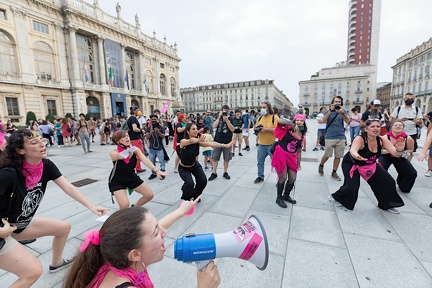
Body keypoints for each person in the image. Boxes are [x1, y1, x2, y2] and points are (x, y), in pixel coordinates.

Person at [0, 129, 107, 287]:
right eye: (34, 143)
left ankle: (56, 263)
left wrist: (91, 206)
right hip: (3, 233)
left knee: (63, 228)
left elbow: (68, 187)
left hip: (19, 225)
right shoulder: (9, 174)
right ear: (20, 150)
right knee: (32, 271)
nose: (42, 144)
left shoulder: (46, 166)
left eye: (41, 140)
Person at [65, 204, 220, 288]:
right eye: (156, 232)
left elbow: (147, 233)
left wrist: (180, 211)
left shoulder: (114, 256)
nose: (164, 231)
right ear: (135, 254)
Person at [328, 119, 405, 213]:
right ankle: (336, 197)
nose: (376, 128)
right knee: (352, 187)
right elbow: (353, 149)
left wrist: (400, 149)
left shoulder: (382, 140)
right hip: (352, 163)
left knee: (388, 182)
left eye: (378, 126)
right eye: (373, 126)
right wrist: (356, 155)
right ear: (366, 129)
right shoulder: (360, 139)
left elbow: (396, 154)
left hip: (369, 165)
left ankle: (386, 204)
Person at [109, 130, 167, 210]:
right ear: (117, 141)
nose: (127, 138)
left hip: (131, 177)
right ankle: (120, 219)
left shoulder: (135, 149)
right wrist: (129, 151)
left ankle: (134, 208)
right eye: (123, 137)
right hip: (118, 180)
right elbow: (120, 156)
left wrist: (157, 170)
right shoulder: (114, 152)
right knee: (124, 205)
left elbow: (145, 160)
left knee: (149, 195)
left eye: (127, 136)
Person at [179, 123, 233, 201]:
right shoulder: (183, 141)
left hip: (194, 165)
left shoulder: (198, 142)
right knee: (189, 184)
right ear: (188, 131)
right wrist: (198, 140)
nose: (196, 130)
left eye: (196, 129)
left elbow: (212, 143)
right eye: (193, 129)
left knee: (203, 181)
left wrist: (225, 145)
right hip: (184, 168)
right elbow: (191, 141)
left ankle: (195, 195)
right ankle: (186, 197)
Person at [272, 114, 306, 208]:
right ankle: (279, 198)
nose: (299, 122)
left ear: (304, 122)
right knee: (282, 177)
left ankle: (286, 195)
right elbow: (279, 121)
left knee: (292, 178)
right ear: (294, 121)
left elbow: (299, 151)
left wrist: (299, 163)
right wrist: (291, 124)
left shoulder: (302, 134)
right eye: (297, 120)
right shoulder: (288, 128)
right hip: (281, 154)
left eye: (301, 120)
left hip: (292, 157)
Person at [379, 120, 417, 193]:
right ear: (391, 128)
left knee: (412, 172)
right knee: (381, 170)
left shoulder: (408, 138)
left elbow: (411, 150)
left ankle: (403, 185)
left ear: (403, 128)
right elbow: (379, 151)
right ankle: (383, 186)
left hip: (400, 156)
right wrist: (392, 150)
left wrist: (401, 152)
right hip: (386, 156)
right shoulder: (385, 137)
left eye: (400, 125)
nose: (398, 126)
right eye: (396, 125)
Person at [318, 96, 350, 181]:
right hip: (329, 136)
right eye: (336, 101)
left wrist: (342, 113)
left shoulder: (344, 111)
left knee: (338, 156)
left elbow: (347, 121)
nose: (337, 103)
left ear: (341, 103)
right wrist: (330, 111)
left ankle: (334, 172)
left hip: (341, 136)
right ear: (333, 102)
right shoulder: (328, 111)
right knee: (327, 154)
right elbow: (323, 121)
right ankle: (321, 165)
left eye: (339, 102)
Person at [390, 92, 423, 161]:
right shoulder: (398, 108)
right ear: (404, 99)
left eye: (412, 99)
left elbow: (421, 124)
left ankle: (408, 164)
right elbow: (391, 120)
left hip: (412, 133)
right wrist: (399, 120)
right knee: (397, 149)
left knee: (410, 150)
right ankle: (398, 163)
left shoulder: (417, 109)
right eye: (408, 98)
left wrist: (417, 122)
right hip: (400, 133)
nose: (410, 100)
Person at [253, 101, 279, 184]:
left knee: (276, 163)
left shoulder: (274, 117)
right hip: (261, 144)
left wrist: (266, 129)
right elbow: (256, 126)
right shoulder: (260, 118)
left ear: (269, 108)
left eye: (264, 107)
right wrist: (256, 128)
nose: (262, 109)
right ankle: (260, 176)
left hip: (272, 145)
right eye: (261, 107)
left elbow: (278, 130)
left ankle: (279, 179)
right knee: (260, 162)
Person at [209, 105, 235, 181]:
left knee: (226, 158)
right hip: (217, 141)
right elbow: (214, 126)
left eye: (226, 111)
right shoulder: (219, 118)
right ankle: (214, 172)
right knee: (215, 157)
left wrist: (227, 120)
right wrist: (219, 117)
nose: (225, 112)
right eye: (224, 111)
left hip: (227, 141)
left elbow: (232, 129)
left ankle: (225, 172)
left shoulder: (231, 118)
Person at [146, 114, 166, 180]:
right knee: (152, 162)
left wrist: (158, 132)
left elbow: (163, 136)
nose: (154, 121)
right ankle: (153, 173)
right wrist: (151, 133)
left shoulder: (161, 127)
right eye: (152, 119)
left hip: (159, 147)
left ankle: (162, 172)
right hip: (152, 148)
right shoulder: (148, 128)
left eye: (155, 119)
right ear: (150, 120)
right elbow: (147, 137)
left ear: (157, 120)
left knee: (161, 161)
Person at [127, 106, 146, 173]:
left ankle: (137, 166)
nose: (139, 111)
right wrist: (141, 131)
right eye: (137, 110)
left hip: (133, 138)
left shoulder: (130, 118)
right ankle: (138, 167)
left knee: (138, 152)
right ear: (134, 111)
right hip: (136, 138)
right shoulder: (133, 118)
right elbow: (134, 128)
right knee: (139, 153)